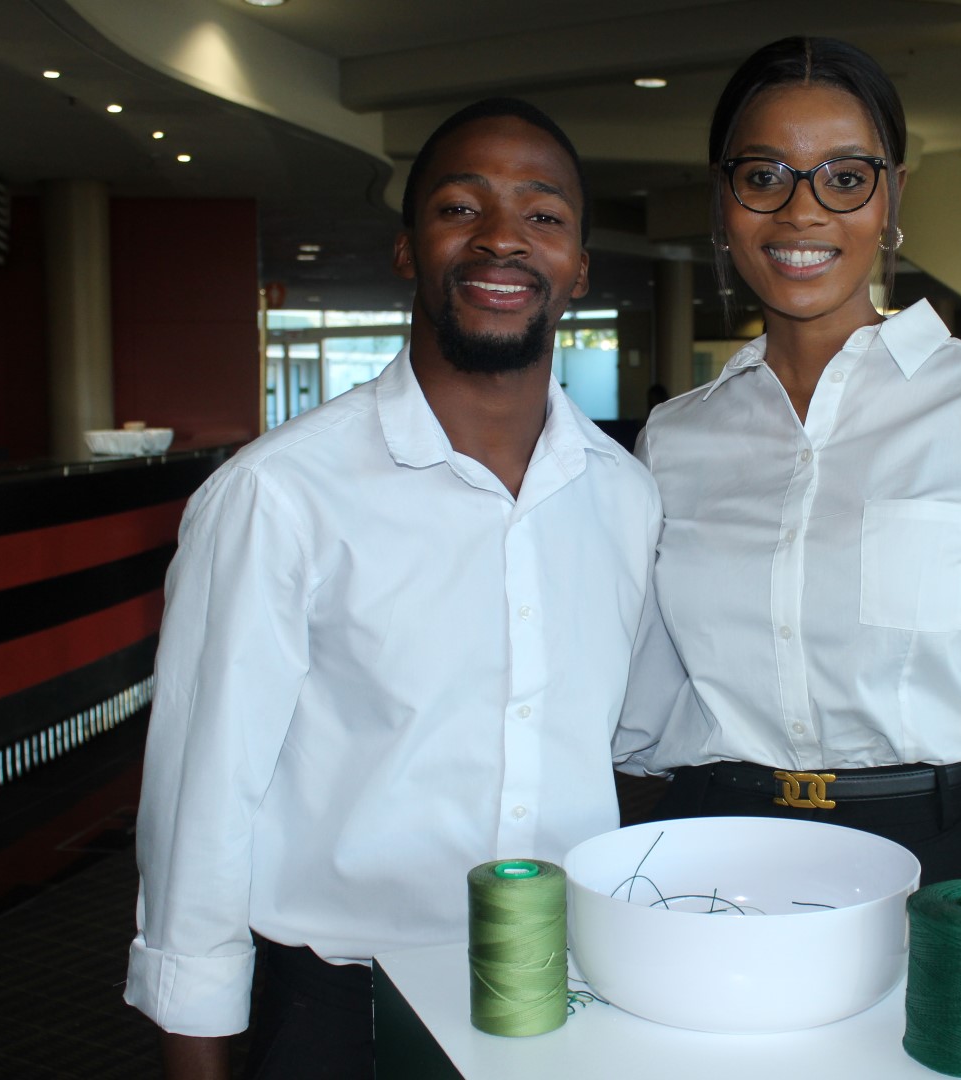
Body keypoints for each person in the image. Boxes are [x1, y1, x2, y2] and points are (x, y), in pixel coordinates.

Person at [124, 98, 662, 1079]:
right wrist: (196, 1049)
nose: (502, 237)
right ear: (410, 248)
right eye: (461, 207)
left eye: (543, 214)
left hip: (572, 993)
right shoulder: (280, 495)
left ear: (580, 266)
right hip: (345, 1010)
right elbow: (201, 804)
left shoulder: (625, 497)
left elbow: (632, 736)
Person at [613, 36, 961, 1029]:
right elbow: (643, 696)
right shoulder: (675, 439)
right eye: (764, 175)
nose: (802, 210)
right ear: (723, 201)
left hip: (935, 864)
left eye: (845, 177)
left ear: (891, 199)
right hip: (713, 859)